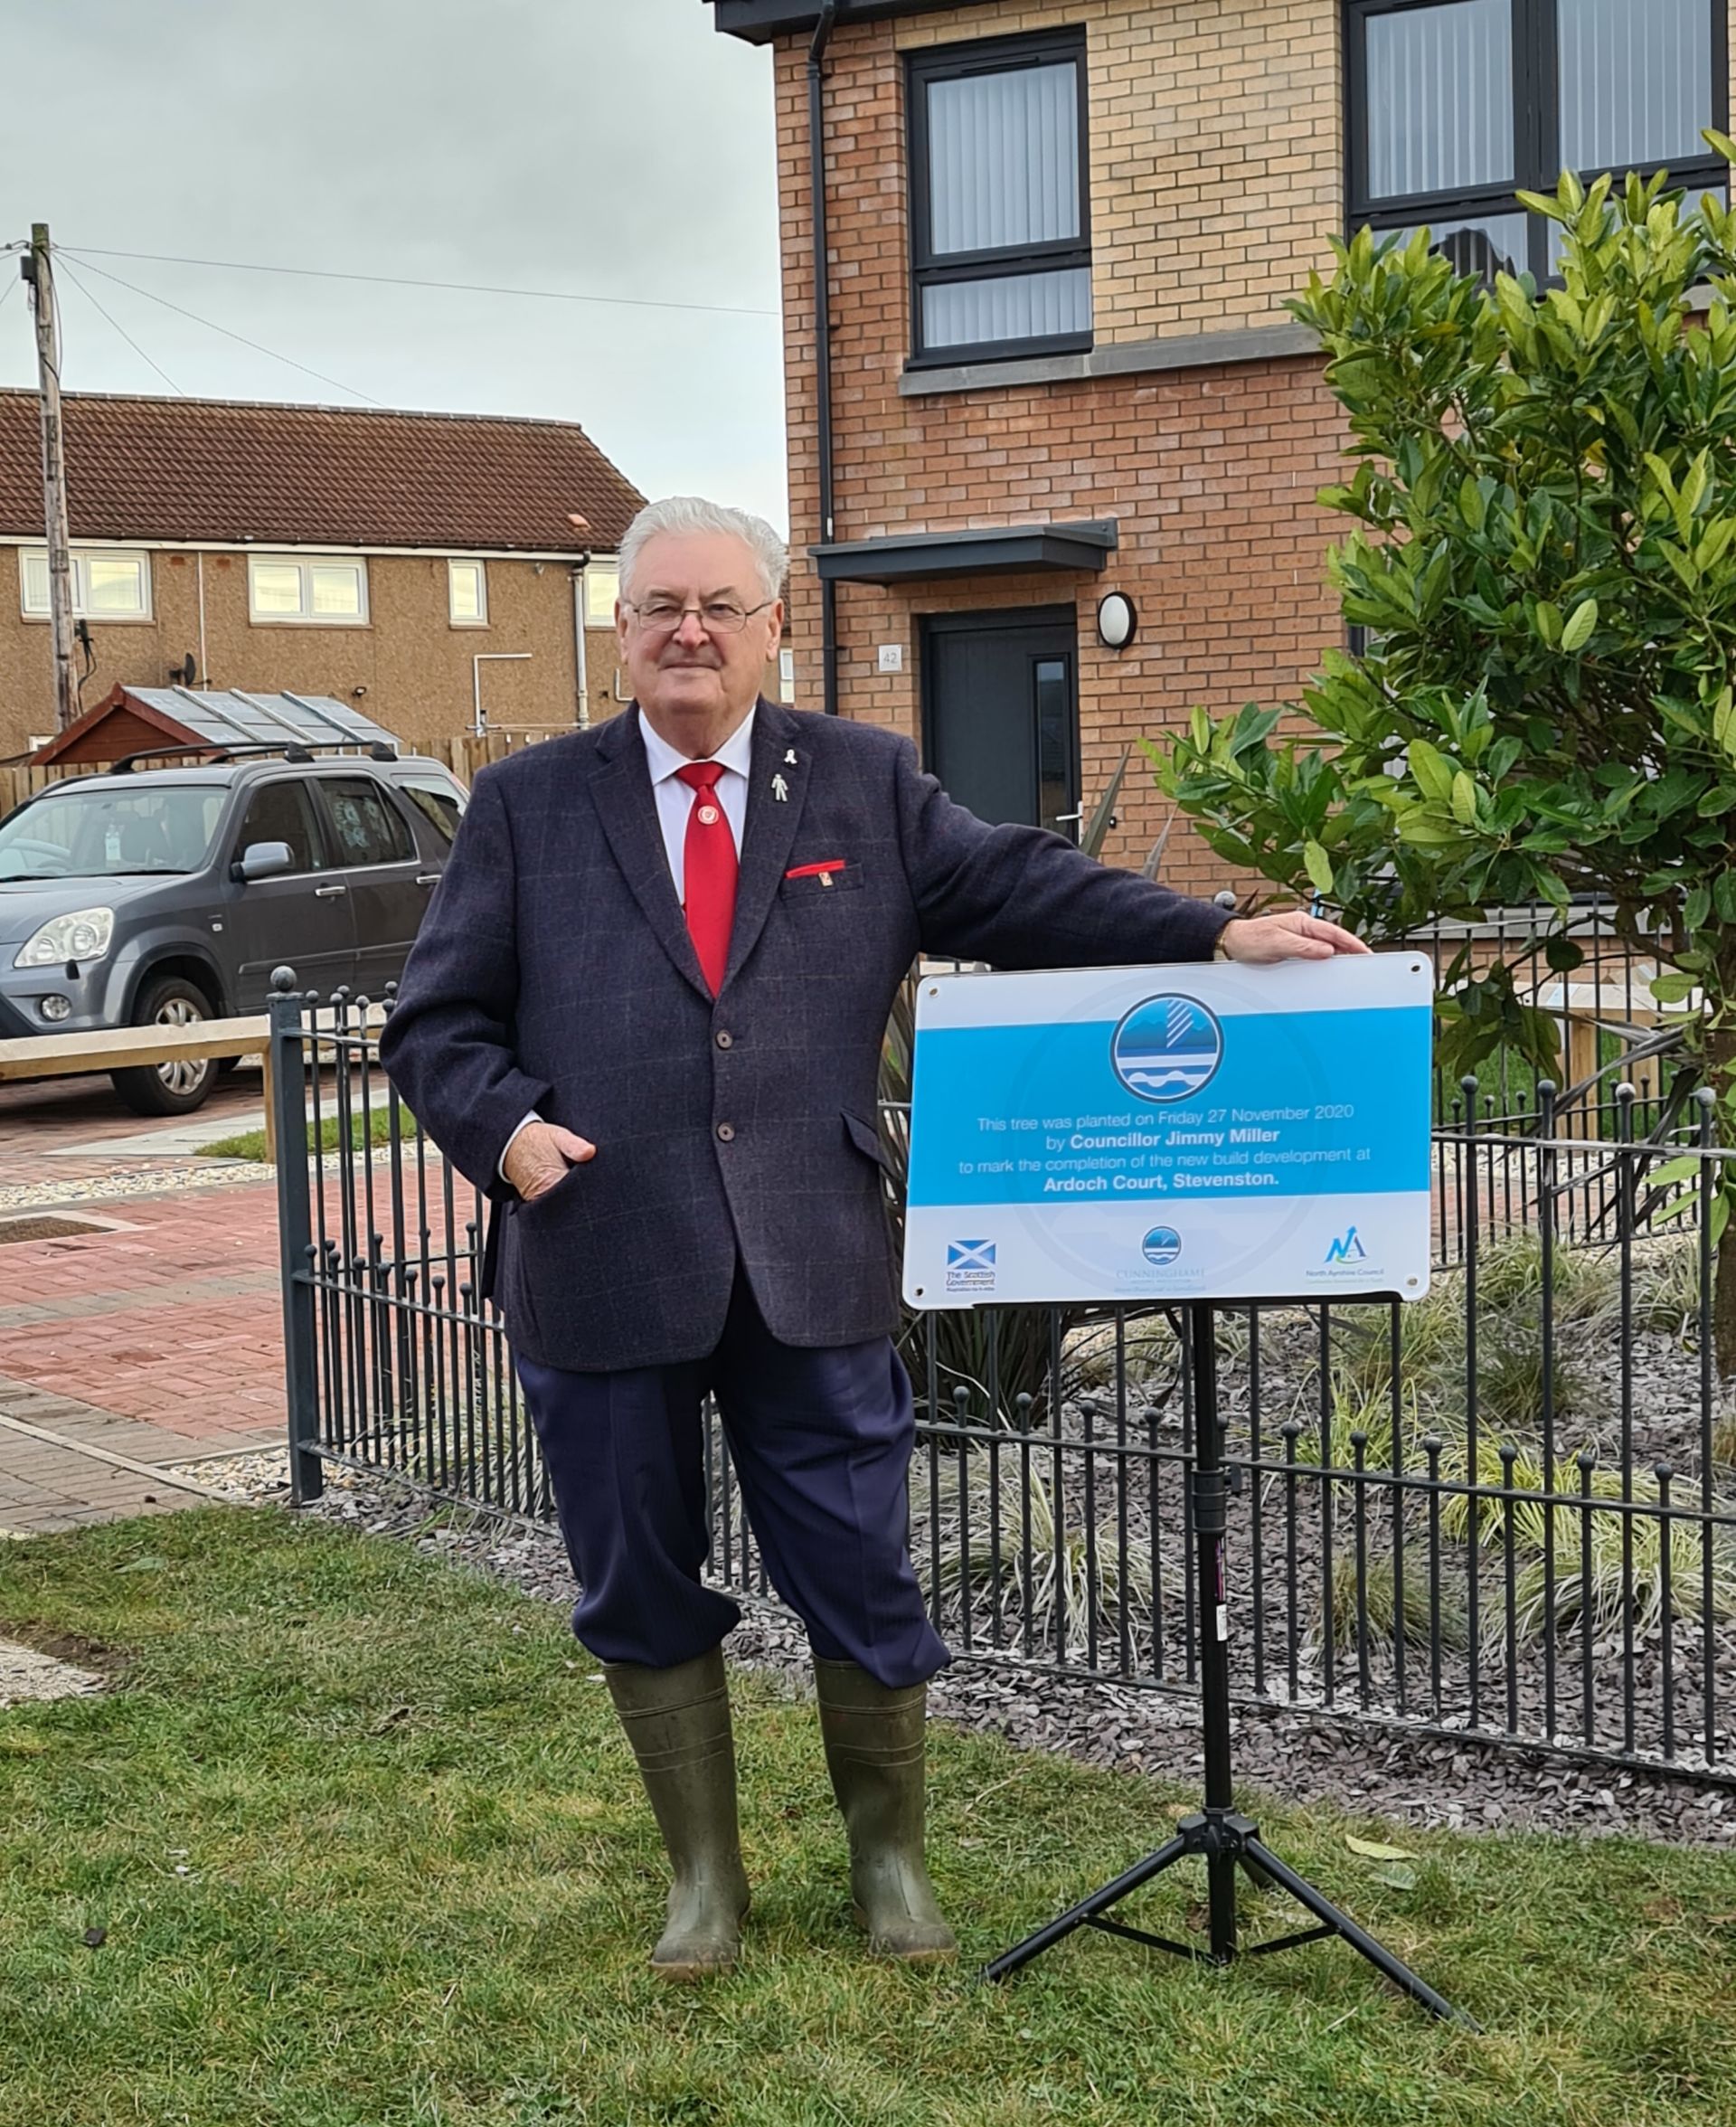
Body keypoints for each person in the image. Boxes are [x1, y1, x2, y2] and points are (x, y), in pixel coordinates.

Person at [379, 496, 1366, 1982]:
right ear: (623, 630)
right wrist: (504, 1132)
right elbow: (432, 1023)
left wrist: (1214, 930)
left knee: (859, 1563)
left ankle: (888, 1863)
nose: (689, 632)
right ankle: (704, 1882)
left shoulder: (860, 780)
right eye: (660, 608)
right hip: (599, 1244)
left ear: (774, 625)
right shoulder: (527, 805)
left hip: (810, 1253)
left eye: (720, 605)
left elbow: (1022, 887)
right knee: (634, 1568)